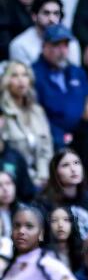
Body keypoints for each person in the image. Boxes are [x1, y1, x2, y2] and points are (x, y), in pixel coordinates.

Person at [33, 25, 88, 148]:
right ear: (44, 47)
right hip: (53, 137)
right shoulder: (34, 75)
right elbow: (37, 116)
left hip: (82, 133)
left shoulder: (77, 72)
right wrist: (62, 137)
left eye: (66, 45)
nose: (62, 50)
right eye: (57, 45)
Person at [1, 60, 54, 188]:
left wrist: (43, 177)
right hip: (14, 182)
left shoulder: (38, 111)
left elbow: (46, 151)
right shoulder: (2, 113)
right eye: (14, 75)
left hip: (42, 180)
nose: (21, 80)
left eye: (24, 75)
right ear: (6, 81)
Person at [8, 0, 82, 71]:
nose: (52, 19)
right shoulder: (20, 45)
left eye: (56, 14)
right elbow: (24, 79)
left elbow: (76, 75)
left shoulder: (71, 41)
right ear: (34, 16)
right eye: (46, 13)